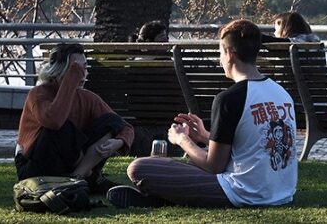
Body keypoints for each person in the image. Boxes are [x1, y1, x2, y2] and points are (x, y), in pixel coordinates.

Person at [106, 19, 298, 208]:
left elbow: (214, 166)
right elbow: (252, 145)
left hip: (245, 192)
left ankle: (158, 197)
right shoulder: (281, 93)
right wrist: (206, 136)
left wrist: (182, 140)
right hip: (281, 192)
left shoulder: (229, 98)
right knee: (194, 158)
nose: (220, 59)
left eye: (220, 52)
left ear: (230, 54)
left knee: (139, 167)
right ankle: (157, 199)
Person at [15, 43, 134, 194]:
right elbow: (54, 121)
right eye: (76, 69)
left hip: (71, 165)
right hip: (36, 164)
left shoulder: (87, 97)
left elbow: (125, 127)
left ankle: (77, 178)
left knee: (111, 121)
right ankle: (88, 178)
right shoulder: (38, 94)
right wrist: (70, 81)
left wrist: (118, 142)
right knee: (59, 127)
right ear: (60, 70)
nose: (82, 74)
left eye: (84, 68)